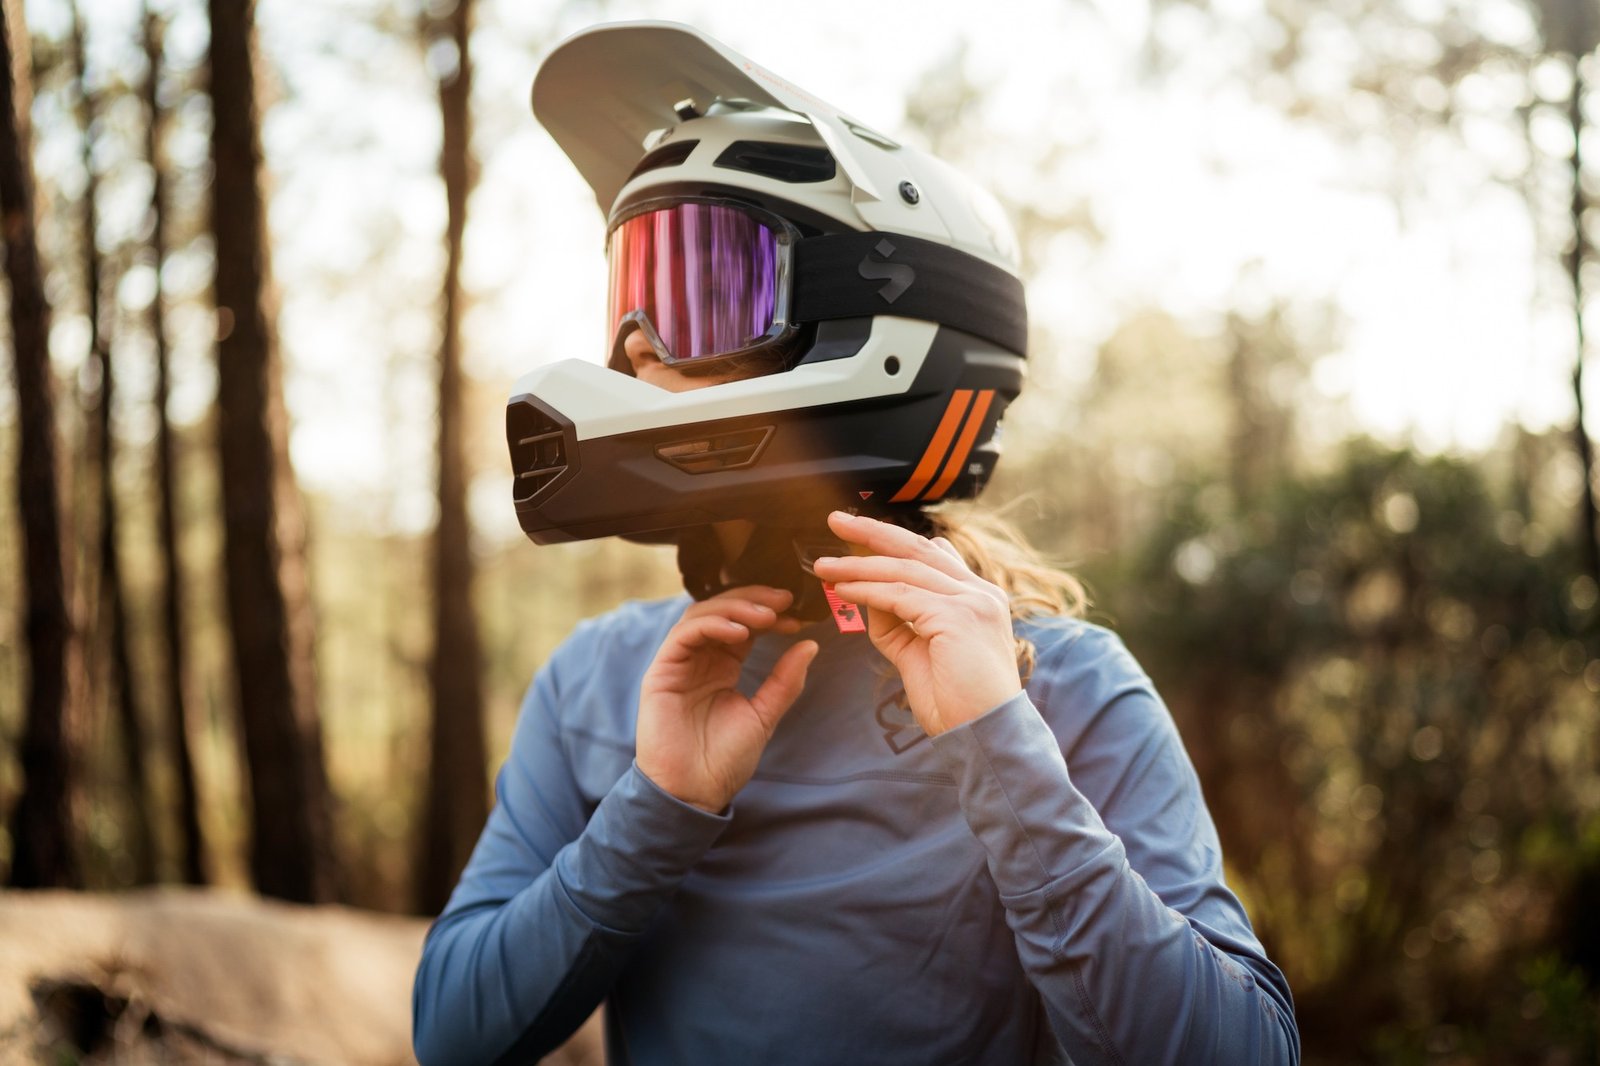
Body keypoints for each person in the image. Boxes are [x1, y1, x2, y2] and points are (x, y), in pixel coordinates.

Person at [412, 21, 1300, 1066]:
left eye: (700, 287)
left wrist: (995, 743)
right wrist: (655, 809)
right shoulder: (598, 683)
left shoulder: (1059, 687)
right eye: (629, 299)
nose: (640, 341)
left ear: (872, 326)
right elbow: (453, 1037)